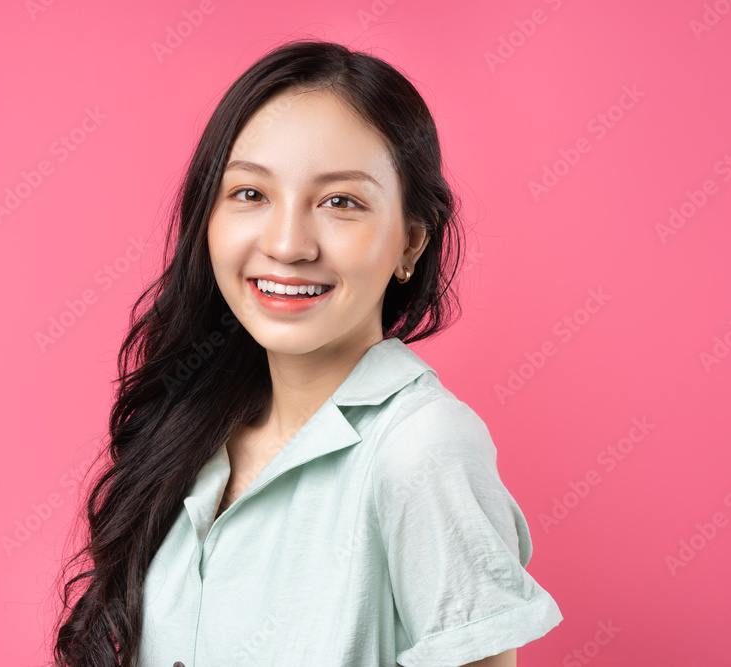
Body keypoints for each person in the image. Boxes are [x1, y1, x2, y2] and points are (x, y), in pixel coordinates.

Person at [53, 39, 563, 667]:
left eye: (340, 202)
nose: (289, 244)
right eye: (250, 194)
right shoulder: (192, 427)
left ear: (410, 244)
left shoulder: (421, 449)